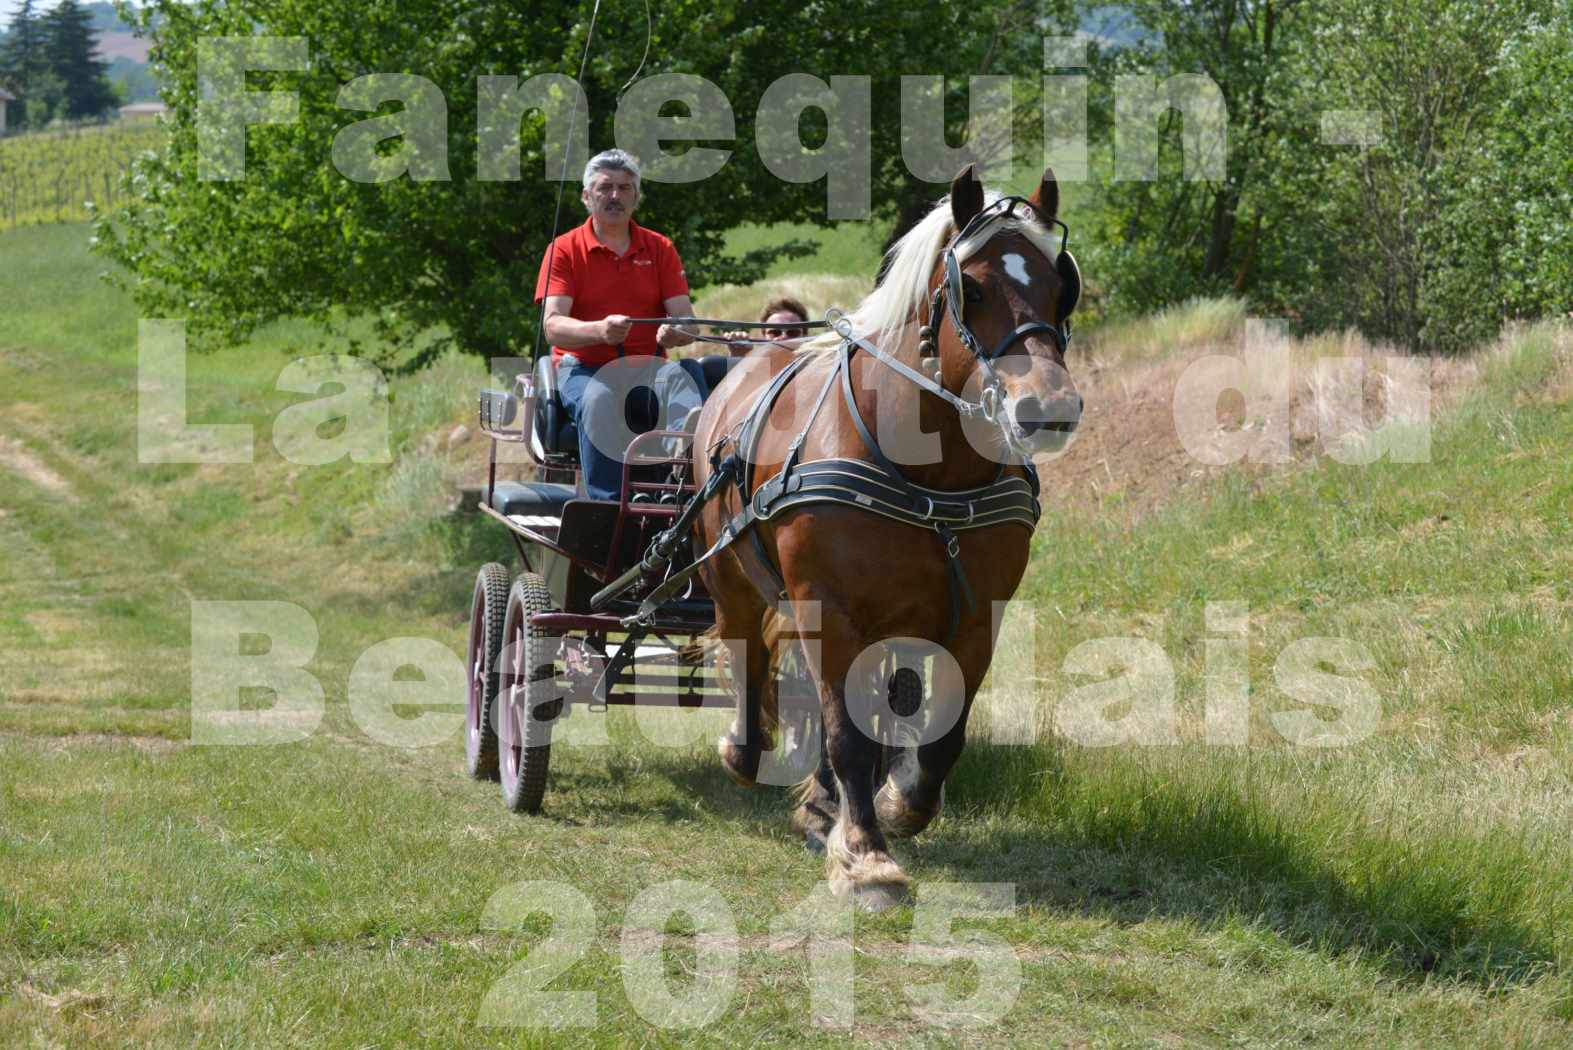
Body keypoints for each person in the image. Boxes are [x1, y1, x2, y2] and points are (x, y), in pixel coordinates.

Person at [535, 149, 703, 499]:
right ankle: (610, 505)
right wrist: (600, 330)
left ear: (636, 197)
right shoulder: (564, 250)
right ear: (586, 196)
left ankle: (683, 478)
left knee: (685, 374)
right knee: (598, 397)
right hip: (584, 369)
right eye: (605, 187)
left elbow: (689, 321)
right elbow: (552, 327)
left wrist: (677, 332)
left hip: (650, 369)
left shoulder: (660, 248)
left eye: (625, 188)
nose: (615, 196)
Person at [724, 296, 811, 353]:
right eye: (775, 333)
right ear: (764, 336)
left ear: (805, 335)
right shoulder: (757, 366)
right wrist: (740, 358)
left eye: (792, 333)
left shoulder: (815, 365)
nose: (784, 337)